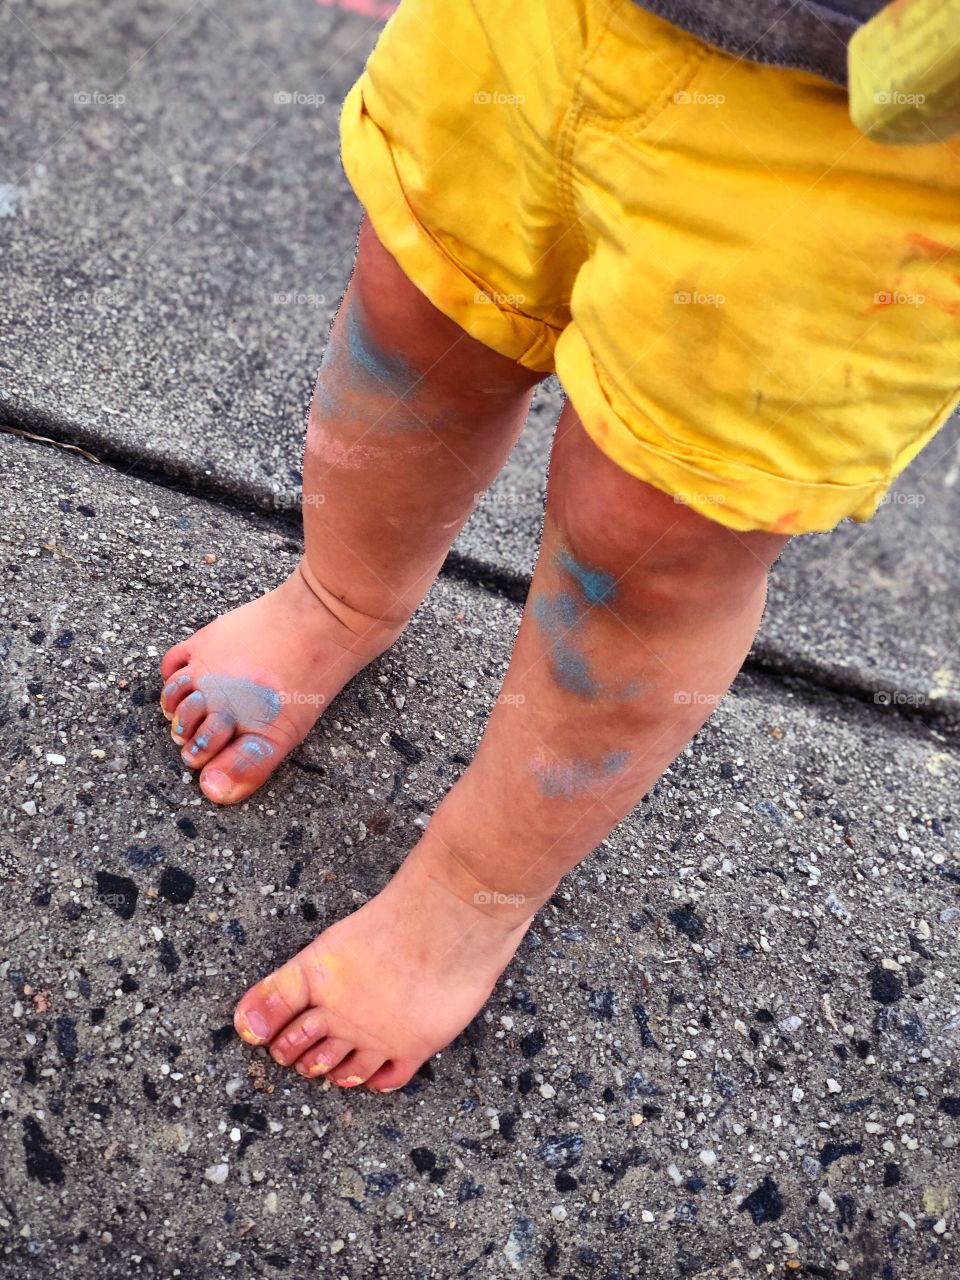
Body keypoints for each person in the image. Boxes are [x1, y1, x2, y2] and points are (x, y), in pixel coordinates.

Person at [159, 0, 960, 1092]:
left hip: (870, 147)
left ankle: (475, 888)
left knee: (652, 541)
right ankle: (340, 598)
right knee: (418, 306)